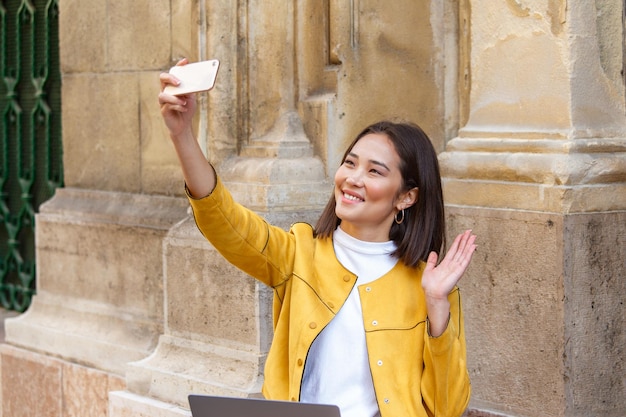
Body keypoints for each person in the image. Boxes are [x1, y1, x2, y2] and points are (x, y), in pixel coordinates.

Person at [159, 58, 476, 417]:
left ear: (406, 196)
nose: (353, 178)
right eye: (350, 163)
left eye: (375, 171)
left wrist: (437, 306)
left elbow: (448, 408)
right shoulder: (299, 253)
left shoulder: (429, 286)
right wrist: (182, 134)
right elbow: (224, 222)